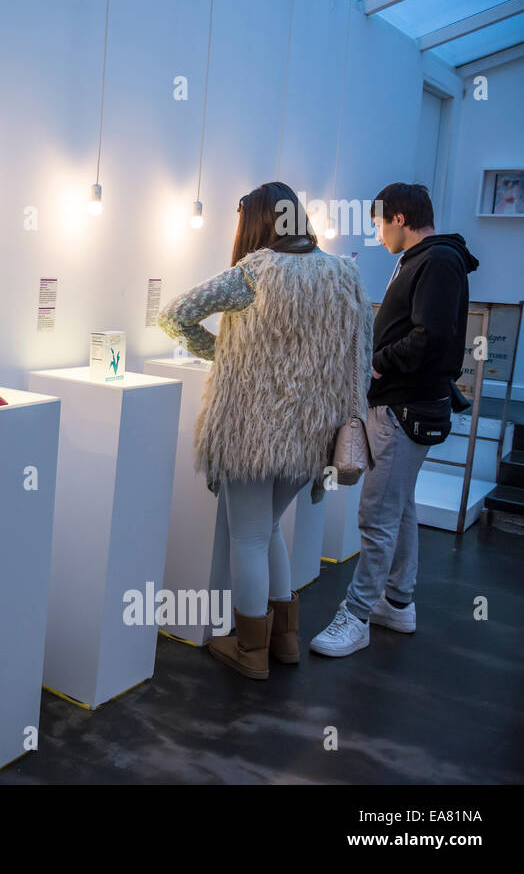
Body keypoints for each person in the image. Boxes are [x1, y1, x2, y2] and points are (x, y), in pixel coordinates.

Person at [160, 182, 372, 680]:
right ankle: (286, 639)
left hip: (251, 433)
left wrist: (221, 353)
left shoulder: (254, 273)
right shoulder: (346, 275)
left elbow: (174, 315)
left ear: (255, 223)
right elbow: (358, 362)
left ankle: (251, 651)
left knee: (249, 536)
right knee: (270, 528)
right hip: (312, 438)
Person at [311, 183, 479, 657]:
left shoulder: (438, 262)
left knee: (376, 516)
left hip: (405, 408)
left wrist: (377, 363)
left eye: (379, 223)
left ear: (399, 218)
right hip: (403, 405)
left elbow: (431, 337)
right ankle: (398, 603)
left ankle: (357, 615)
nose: (378, 234)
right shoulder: (424, 261)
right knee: (399, 508)